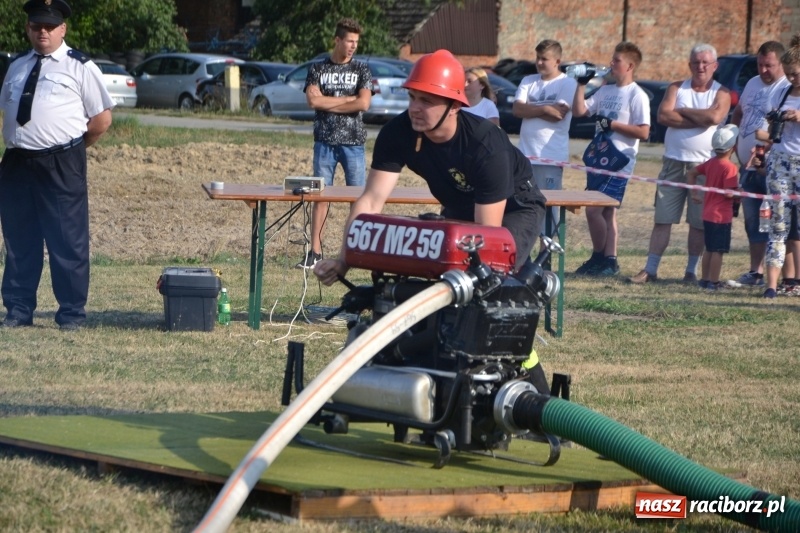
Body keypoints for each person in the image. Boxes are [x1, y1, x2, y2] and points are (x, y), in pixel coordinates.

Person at [314, 49, 549, 392]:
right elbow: (370, 200)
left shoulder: (485, 144)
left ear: (454, 105)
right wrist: (344, 260)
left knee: (490, 287)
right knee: (435, 285)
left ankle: (531, 385)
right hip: (459, 210)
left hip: (515, 209)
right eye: (412, 97)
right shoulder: (398, 132)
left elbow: (488, 236)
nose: (415, 107)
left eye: (427, 100)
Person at [0, 0, 114, 331]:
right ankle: (18, 310)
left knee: (67, 240)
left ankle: (71, 314)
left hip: (60, 163)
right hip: (18, 162)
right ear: (28, 28)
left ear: (62, 29)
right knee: (19, 240)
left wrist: (70, 150)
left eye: (50, 27)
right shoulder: (16, 66)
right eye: (37, 26)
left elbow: (101, 120)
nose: (43, 32)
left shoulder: (80, 66)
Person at [629, 43, 731, 284]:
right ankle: (650, 269)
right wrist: (700, 118)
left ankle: (691, 272)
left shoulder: (722, 93)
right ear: (689, 65)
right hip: (673, 163)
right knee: (662, 219)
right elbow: (664, 115)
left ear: (715, 66)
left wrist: (683, 111)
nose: (700, 67)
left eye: (705, 62)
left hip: (704, 167)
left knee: (698, 223)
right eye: (696, 62)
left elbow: (714, 117)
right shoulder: (676, 87)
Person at [297, 18, 372, 269]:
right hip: (324, 143)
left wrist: (328, 101)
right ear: (337, 40)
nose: (353, 46)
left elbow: (363, 103)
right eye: (349, 41)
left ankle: (358, 251)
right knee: (320, 196)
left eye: (356, 42)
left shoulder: (361, 69)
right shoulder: (317, 69)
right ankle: (315, 252)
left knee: (358, 198)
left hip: (354, 143)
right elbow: (313, 102)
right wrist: (348, 100)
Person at [572, 42, 651, 276]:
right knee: (607, 212)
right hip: (599, 157)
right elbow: (580, 111)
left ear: (630, 66)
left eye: (617, 61)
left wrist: (612, 124)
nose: (611, 64)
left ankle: (599, 257)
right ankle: (609, 260)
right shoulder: (605, 90)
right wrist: (581, 84)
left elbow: (644, 132)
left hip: (619, 162)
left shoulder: (637, 95)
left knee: (593, 210)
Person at [730, 41, 788, 287]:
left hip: (774, 168)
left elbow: (786, 133)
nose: (763, 70)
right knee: (753, 221)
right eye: (760, 64)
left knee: (780, 223)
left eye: (769, 65)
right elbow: (739, 113)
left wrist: (766, 150)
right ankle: (756, 272)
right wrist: (733, 142)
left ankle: (788, 277)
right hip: (748, 166)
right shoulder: (752, 83)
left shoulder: (787, 89)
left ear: (782, 64)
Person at [512, 40, 577, 237]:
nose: (539, 62)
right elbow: (517, 110)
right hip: (525, 155)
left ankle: (546, 250)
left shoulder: (567, 83)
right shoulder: (528, 81)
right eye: (537, 58)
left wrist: (532, 110)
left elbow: (558, 115)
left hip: (550, 156)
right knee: (524, 203)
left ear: (557, 61)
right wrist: (546, 108)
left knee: (548, 205)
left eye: (544, 59)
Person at [756, 33, 800, 300]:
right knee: (778, 225)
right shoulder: (781, 92)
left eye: (796, 74)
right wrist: (776, 120)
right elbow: (769, 129)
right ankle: (771, 286)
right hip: (780, 161)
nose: (792, 79)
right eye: (789, 74)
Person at [686, 124, 740, 291]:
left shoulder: (711, 163)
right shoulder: (730, 168)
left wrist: (694, 193)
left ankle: (705, 279)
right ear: (733, 148)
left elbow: (691, 173)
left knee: (709, 248)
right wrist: (741, 192)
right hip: (721, 216)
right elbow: (729, 194)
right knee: (718, 250)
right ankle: (714, 282)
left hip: (708, 214)